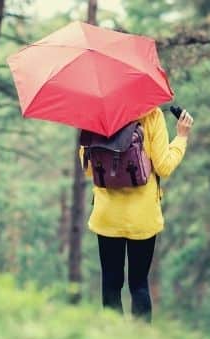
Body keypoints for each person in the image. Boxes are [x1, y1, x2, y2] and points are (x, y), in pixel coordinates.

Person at [80, 107, 194, 322]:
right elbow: (164, 167)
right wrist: (181, 137)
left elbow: (88, 169)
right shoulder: (152, 114)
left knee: (111, 284)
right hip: (143, 218)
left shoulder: (96, 113)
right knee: (139, 284)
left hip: (107, 217)